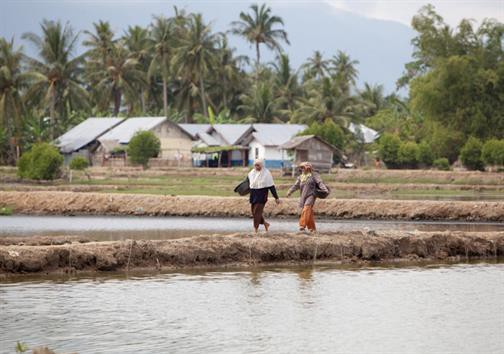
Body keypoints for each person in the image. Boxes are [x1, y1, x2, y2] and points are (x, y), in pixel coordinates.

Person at [286, 162, 328, 232]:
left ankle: (302, 225)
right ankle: (312, 229)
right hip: (303, 196)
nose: (302, 169)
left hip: (311, 195)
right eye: (301, 167)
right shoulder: (300, 177)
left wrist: (324, 189)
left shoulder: (314, 175)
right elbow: (296, 186)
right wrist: (290, 191)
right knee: (309, 212)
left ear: (308, 168)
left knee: (306, 208)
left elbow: (320, 182)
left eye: (303, 167)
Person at [248, 159, 280, 233]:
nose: (256, 166)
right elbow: (247, 182)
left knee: (256, 212)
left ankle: (255, 229)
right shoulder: (251, 173)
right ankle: (265, 224)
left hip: (262, 195)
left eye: (258, 165)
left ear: (262, 165)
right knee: (254, 212)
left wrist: (276, 197)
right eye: (255, 165)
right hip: (253, 194)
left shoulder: (266, 173)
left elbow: (271, 186)